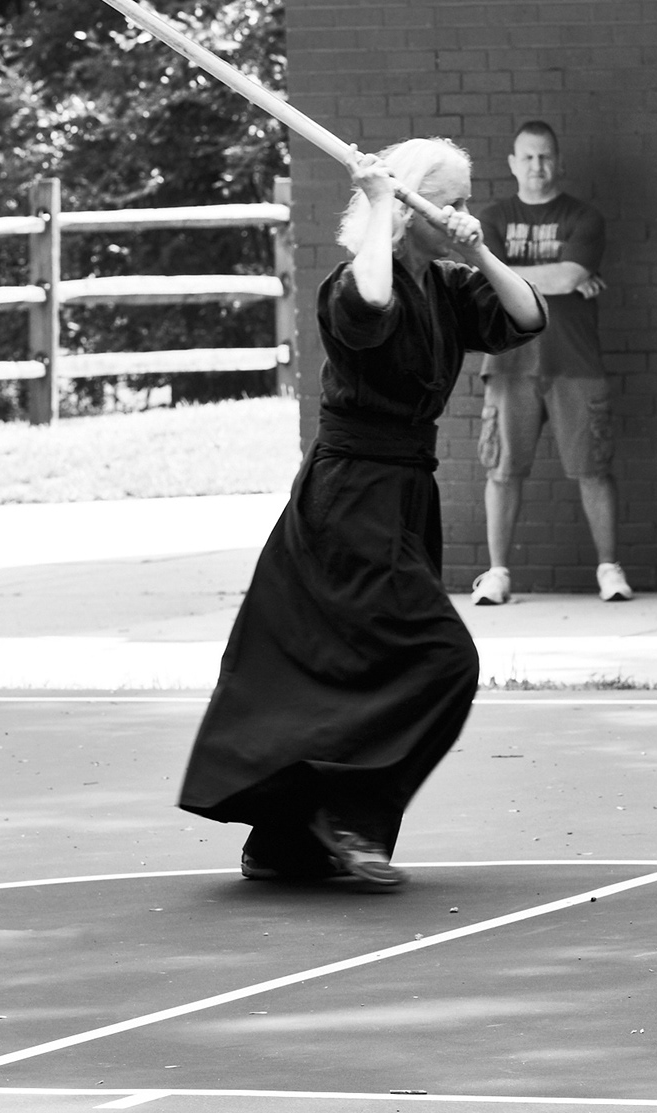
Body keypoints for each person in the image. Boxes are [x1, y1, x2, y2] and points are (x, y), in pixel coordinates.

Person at [179, 138, 546, 889]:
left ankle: (284, 839)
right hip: (350, 497)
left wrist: (478, 249)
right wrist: (380, 202)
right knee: (442, 658)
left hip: (405, 495)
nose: (464, 211)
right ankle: (349, 815)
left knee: (356, 664)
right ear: (412, 206)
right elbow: (372, 305)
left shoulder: (447, 285)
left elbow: (528, 314)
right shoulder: (353, 282)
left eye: (467, 199)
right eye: (450, 200)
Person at [470, 120, 631, 606]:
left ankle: (609, 570)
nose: (537, 166)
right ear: (512, 163)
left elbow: (564, 276)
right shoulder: (493, 218)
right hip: (509, 362)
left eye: (545, 157)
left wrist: (514, 274)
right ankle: (497, 574)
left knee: (594, 468)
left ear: (558, 162)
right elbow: (494, 278)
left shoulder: (584, 216)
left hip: (575, 360)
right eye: (528, 157)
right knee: (502, 470)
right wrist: (560, 276)